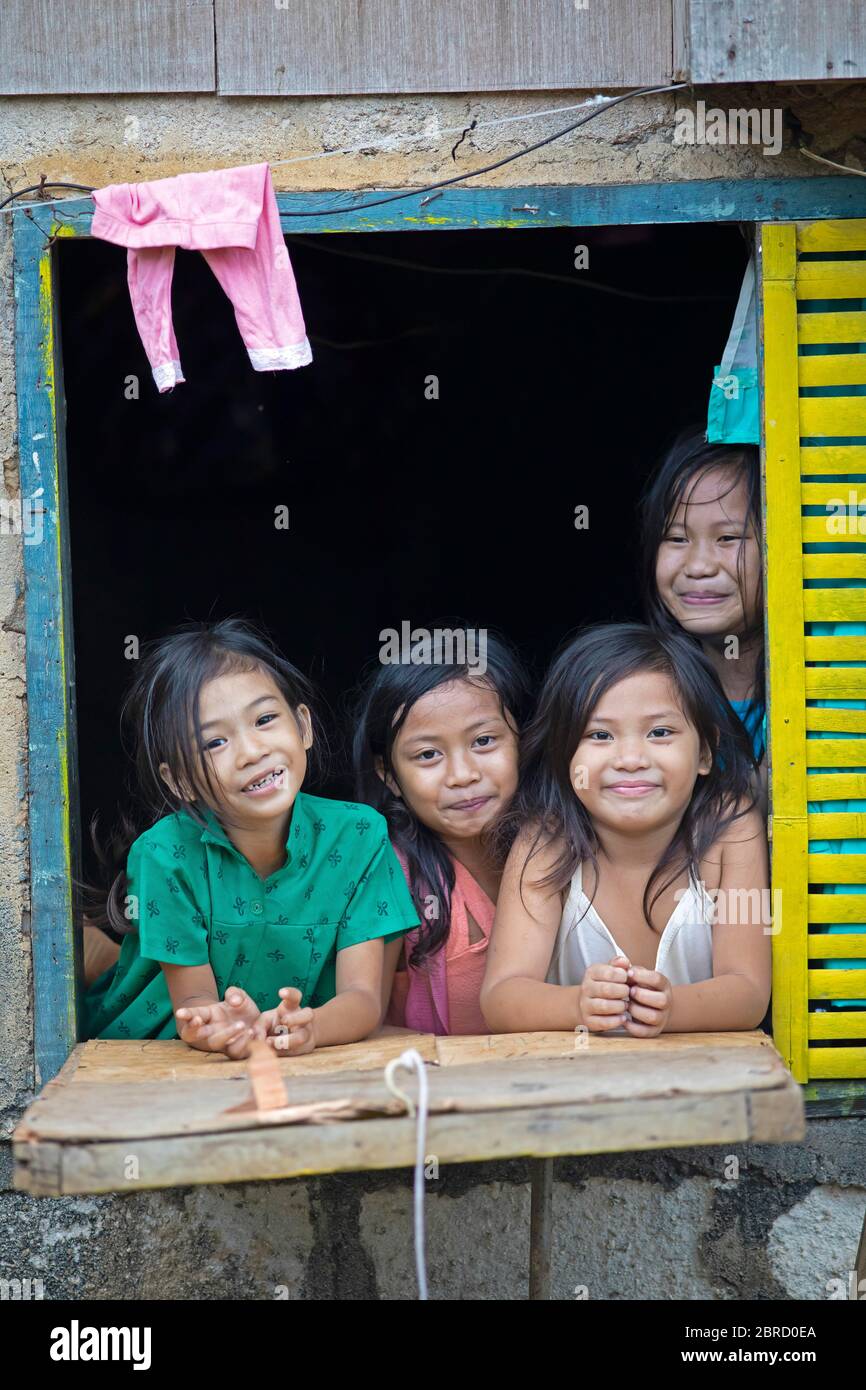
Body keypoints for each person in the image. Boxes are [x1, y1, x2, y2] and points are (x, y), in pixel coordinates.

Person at [84, 618, 418, 1056]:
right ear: (180, 780)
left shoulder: (358, 836)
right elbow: (194, 1003)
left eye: (264, 719)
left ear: (303, 726)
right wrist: (218, 1024)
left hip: (307, 1052)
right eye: (214, 743)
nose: (251, 752)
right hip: (155, 1052)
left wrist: (311, 1027)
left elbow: (363, 1001)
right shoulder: (163, 855)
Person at [481, 623, 770, 1036]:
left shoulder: (730, 829)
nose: (631, 758)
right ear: (564, 753)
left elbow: (749, 993)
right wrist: (576, 1005)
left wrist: (673, 1008)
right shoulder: (546, 840)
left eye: (660, 732)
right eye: (600, 734)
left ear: (705, 751)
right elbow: (501, 996)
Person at [352, 629, 529, 1034]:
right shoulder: (387, 874)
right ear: (389, 776)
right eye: (428, 754)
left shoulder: (567, 850)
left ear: (523, 739)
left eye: (484, 740)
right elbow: (364, 1025)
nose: (462, 775)